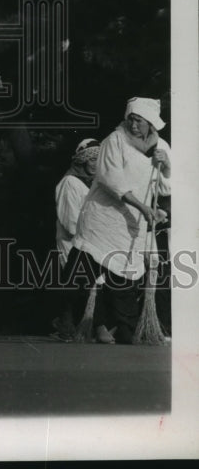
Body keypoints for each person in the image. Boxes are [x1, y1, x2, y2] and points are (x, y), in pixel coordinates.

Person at [70, 97, 170, 344]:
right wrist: (141, 205)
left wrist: (166, 166)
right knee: (78, 272)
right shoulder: (114, 141)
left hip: (131, 225)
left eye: (140, 122)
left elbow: (166, 188)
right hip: (102, 219)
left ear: (150, 124)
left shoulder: (162, 148)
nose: (134, 126)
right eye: (131, 120)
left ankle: (125, 328)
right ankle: (82, 323)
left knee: (124, 278)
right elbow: (110, 178)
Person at [52, 138, 100, 341]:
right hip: (74, 243)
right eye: (92, 160)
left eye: (99, 160)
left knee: (83, 287)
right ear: (83, 161)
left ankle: (78, 329)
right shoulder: (70, 183)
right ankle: (65, 326)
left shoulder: (91, 185)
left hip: (89, 244)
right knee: (73, 286)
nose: (96, 164)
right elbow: (70, 221)